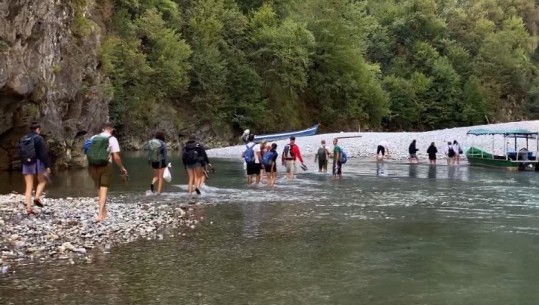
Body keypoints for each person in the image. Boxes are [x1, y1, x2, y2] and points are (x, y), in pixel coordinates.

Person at [87, 122, 128, 222]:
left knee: (98, 188)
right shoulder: (112, 139)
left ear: (102, 129)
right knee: (104, 188)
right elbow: (116, 157)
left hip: (93, 165)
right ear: (111, 129)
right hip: (106, 165)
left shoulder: (93, 138)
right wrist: (122, 167)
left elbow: (87, 150)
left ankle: (104, 212)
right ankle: (100, 215)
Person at [19, 122, 51, 215]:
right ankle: (37, 197)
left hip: (26, 163)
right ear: (38, 129)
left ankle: (29, 209)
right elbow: (43, 153)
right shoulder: (39, 138)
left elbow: (20, 152)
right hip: (37, 162)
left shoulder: (24, 138)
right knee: (42, 181)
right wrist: (47, 166)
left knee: (28, 186)